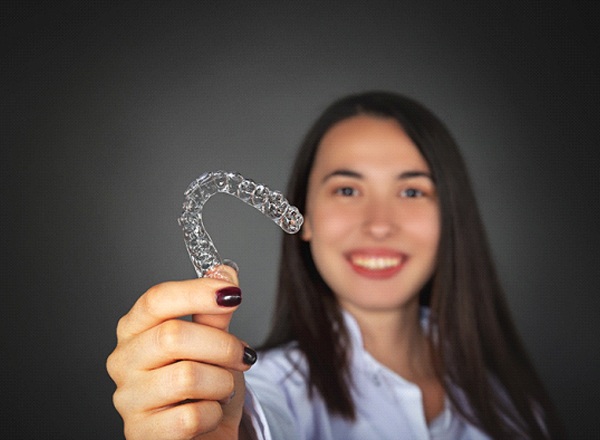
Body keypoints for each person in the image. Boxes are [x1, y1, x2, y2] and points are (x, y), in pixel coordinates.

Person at [106, 91, 565, 439]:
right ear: (304, 217)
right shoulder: (263, 389)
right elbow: (255, 421)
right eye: (347, 190)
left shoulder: (510, 399)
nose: (379, 224)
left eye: (412, 191)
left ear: (451, 216)